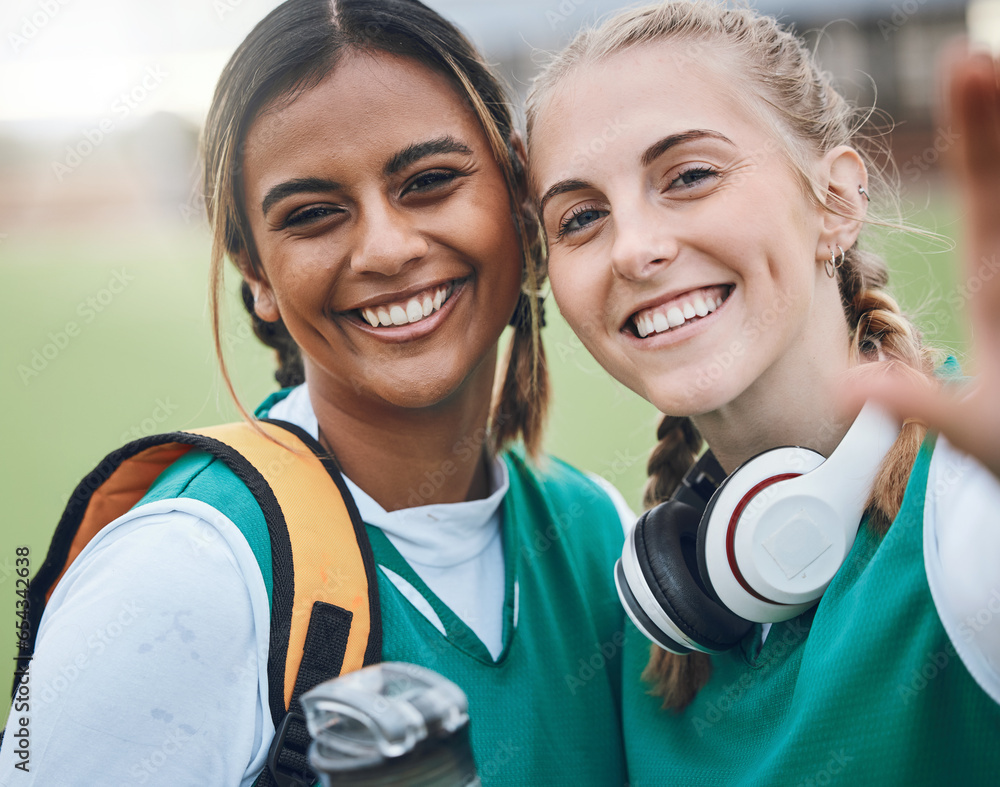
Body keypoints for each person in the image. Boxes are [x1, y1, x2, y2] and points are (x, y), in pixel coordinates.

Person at [0, 1, 631, 784]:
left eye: (430, 181)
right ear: (256, 272)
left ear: (517, 191)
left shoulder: (601, 534)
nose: (387, 248)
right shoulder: (191, 566)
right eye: (313, 215)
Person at [526, 2, 1000, 784]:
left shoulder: (966, 507)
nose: (636, 248)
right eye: (581, 217)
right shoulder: (657, 617)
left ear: (838, 201)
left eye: (691, 176)